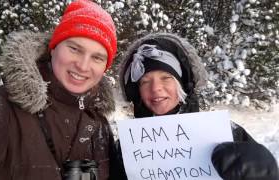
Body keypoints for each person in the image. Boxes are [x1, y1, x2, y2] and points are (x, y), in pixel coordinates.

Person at [0, 0, 119, 180]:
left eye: (97, 57)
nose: (83, 66)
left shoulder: (99, 125)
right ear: (53, 48)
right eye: (74, 49)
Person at [117, 32, 279, 180]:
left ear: (182, 83)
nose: (155, 88)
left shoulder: (226, 133)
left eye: (166, 77)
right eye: (145, 81)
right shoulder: (125, 147)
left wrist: (262, 172)